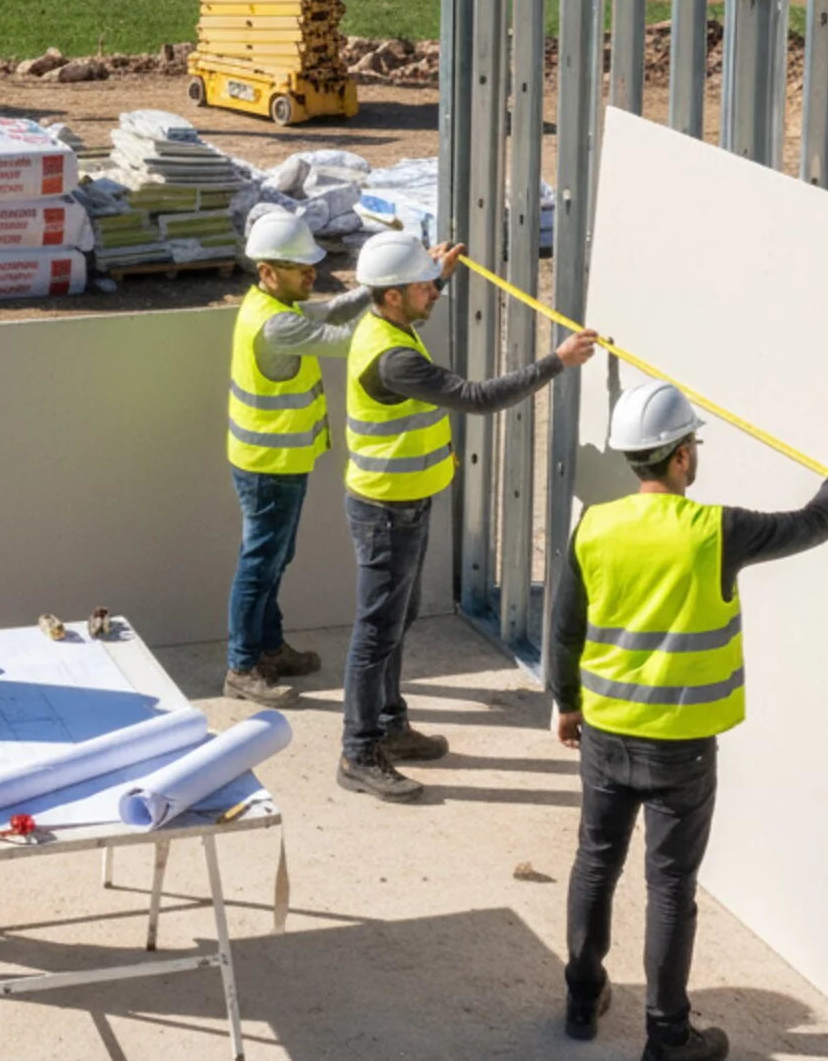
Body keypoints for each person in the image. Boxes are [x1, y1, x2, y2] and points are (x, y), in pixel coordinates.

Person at [550, 379, 828, 1061]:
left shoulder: (594, 526)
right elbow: (811, 525)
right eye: (692, 443)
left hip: (605, 733)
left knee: (595, 862)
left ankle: (582, 998)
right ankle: (667, 1037)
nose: (695, 453)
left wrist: (567, 701)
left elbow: (566, 625)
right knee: (670, 887)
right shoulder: (714, 531)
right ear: (679, 459)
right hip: (681, 747)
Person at [339, 232, 597, 801]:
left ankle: (388, 724)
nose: (432, 293)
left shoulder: (388, 322)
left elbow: (415, 300)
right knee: (376, 633)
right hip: (386, 511)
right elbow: (477, 397)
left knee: (395, 624)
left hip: (402, 503)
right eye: (422, 288)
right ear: (389, 297)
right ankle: (359, 751)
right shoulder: (393, 357)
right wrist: (557, 360)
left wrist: (438, 274)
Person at [223, 209, 369, 705]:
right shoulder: (278, 326)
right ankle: (242, 667)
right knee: (260, 563)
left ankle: (268, 647)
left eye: (312, 264)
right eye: (299, 266)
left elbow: (327, 315)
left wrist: (384, 286)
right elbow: (348, 339)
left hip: (277, 462)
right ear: (268, 272)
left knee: (274, 558)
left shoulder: (271, 306)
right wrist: (397, 297)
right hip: (269, 467)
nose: (312, 273)